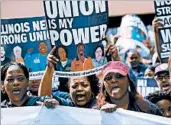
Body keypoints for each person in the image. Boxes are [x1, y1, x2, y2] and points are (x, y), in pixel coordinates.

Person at [96, 61, 162, 115]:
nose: (113, 80)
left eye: (119, 76)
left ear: (128, 81)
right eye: (108, 78)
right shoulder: (96, 112)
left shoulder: (149, 109)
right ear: (104, 85)